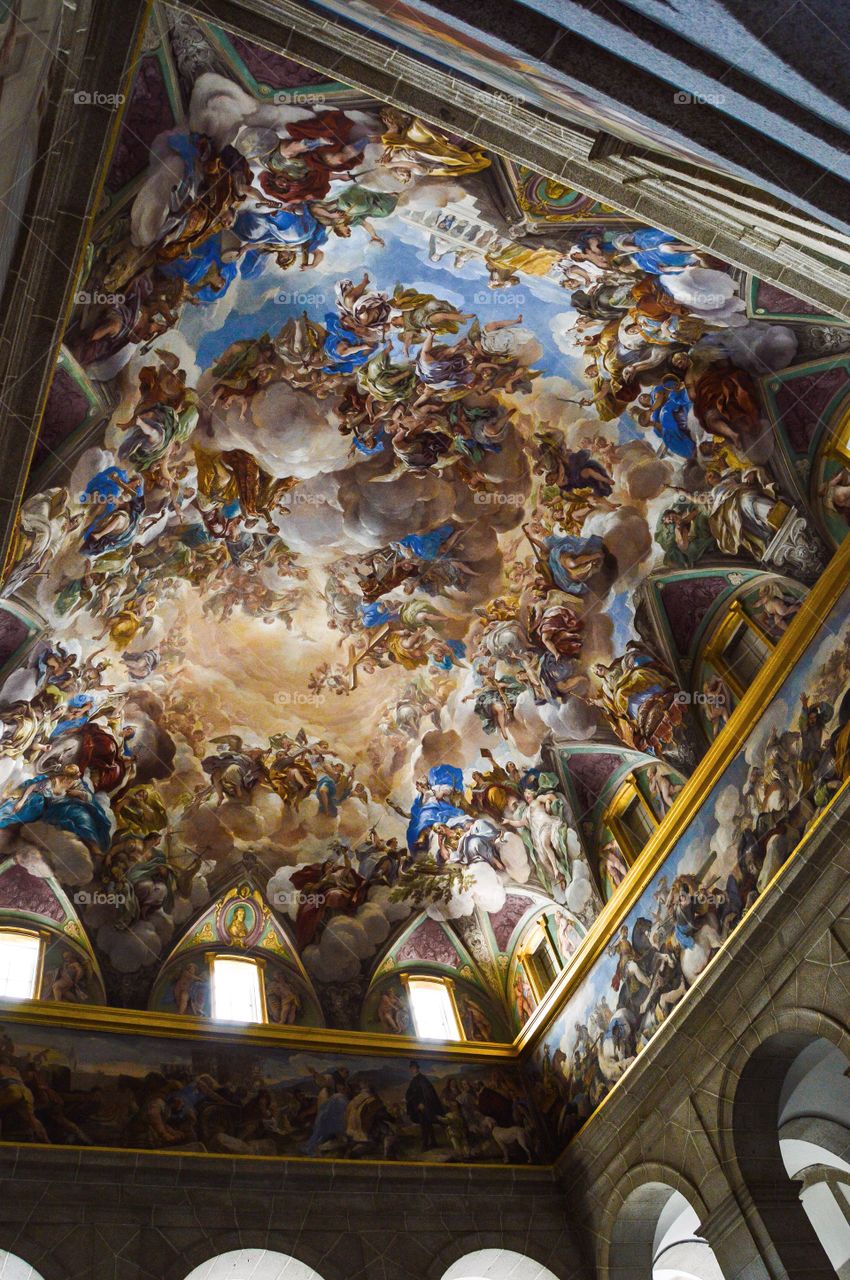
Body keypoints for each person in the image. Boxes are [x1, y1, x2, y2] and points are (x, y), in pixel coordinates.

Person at [405, 1060, 446, 1151]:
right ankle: (432, 1142)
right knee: (426, 1124)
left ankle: (426, 1144)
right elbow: (409, 1094)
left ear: (417, 1068)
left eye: (414, 1068)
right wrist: (414, 1102)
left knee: (425, 1124)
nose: (413, 1070)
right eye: (411, 1068)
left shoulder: (422, 1079)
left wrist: (422, 1103)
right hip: (418, 1106)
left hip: (425, 1106)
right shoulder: (414, 1080)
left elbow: (428, 1093)